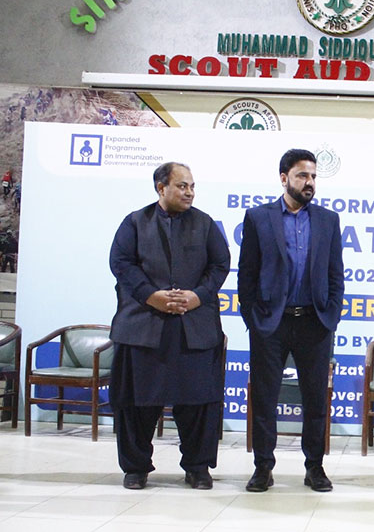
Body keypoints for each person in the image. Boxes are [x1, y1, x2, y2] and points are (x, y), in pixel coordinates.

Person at [109, 162, 230, 490]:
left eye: (192, 186)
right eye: (182, 186)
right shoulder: (135, 222)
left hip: (194, 327)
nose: (189, 192)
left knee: (198, 403)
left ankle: (197, 467)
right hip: (144, 326)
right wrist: (152, 296)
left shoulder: (204, 224)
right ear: (161, 188)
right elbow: (121, 263)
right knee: (137, 403)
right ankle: (136, 468)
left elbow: (220, 265)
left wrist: (197, 296)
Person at [238, 148, 344, 493]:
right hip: (271, 324)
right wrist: (253, 318)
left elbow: (335, 274)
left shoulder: (328, 220)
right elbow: (247, 274)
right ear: (284, 178)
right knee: (264, 399)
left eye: (313, 176)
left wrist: (331, 314)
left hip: (314, 323)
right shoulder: (258, 217)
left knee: (315, 400)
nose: (309, 182)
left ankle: (315, 467)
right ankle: (262, 468)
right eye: (302, 175)